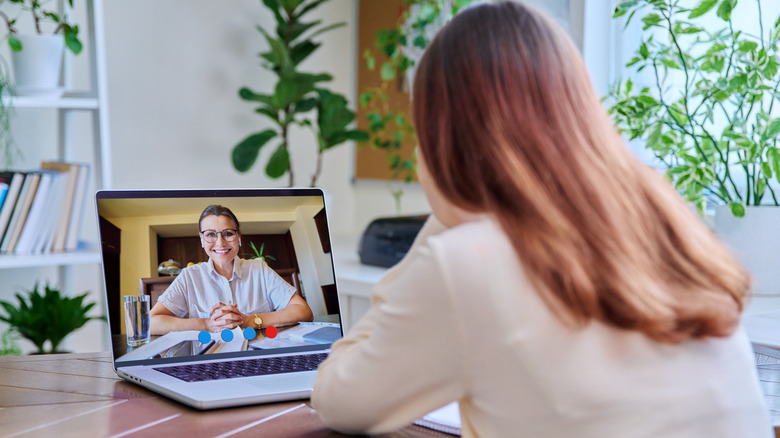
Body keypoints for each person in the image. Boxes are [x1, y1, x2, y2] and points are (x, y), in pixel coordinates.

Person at [311, 2, 771, 437]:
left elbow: (339, 399)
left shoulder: (466, 261)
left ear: (445, 142)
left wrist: (448, 220)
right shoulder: (666, 221)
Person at [150, 205, 313, 335]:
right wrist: (207, 323)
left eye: (228, 233)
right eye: (211, 234)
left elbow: (303, 311)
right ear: (202, 239)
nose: (220, 243)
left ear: (239, 236)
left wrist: (250, 320)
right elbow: (150, 323)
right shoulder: (189, 276)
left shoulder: (259, 270)